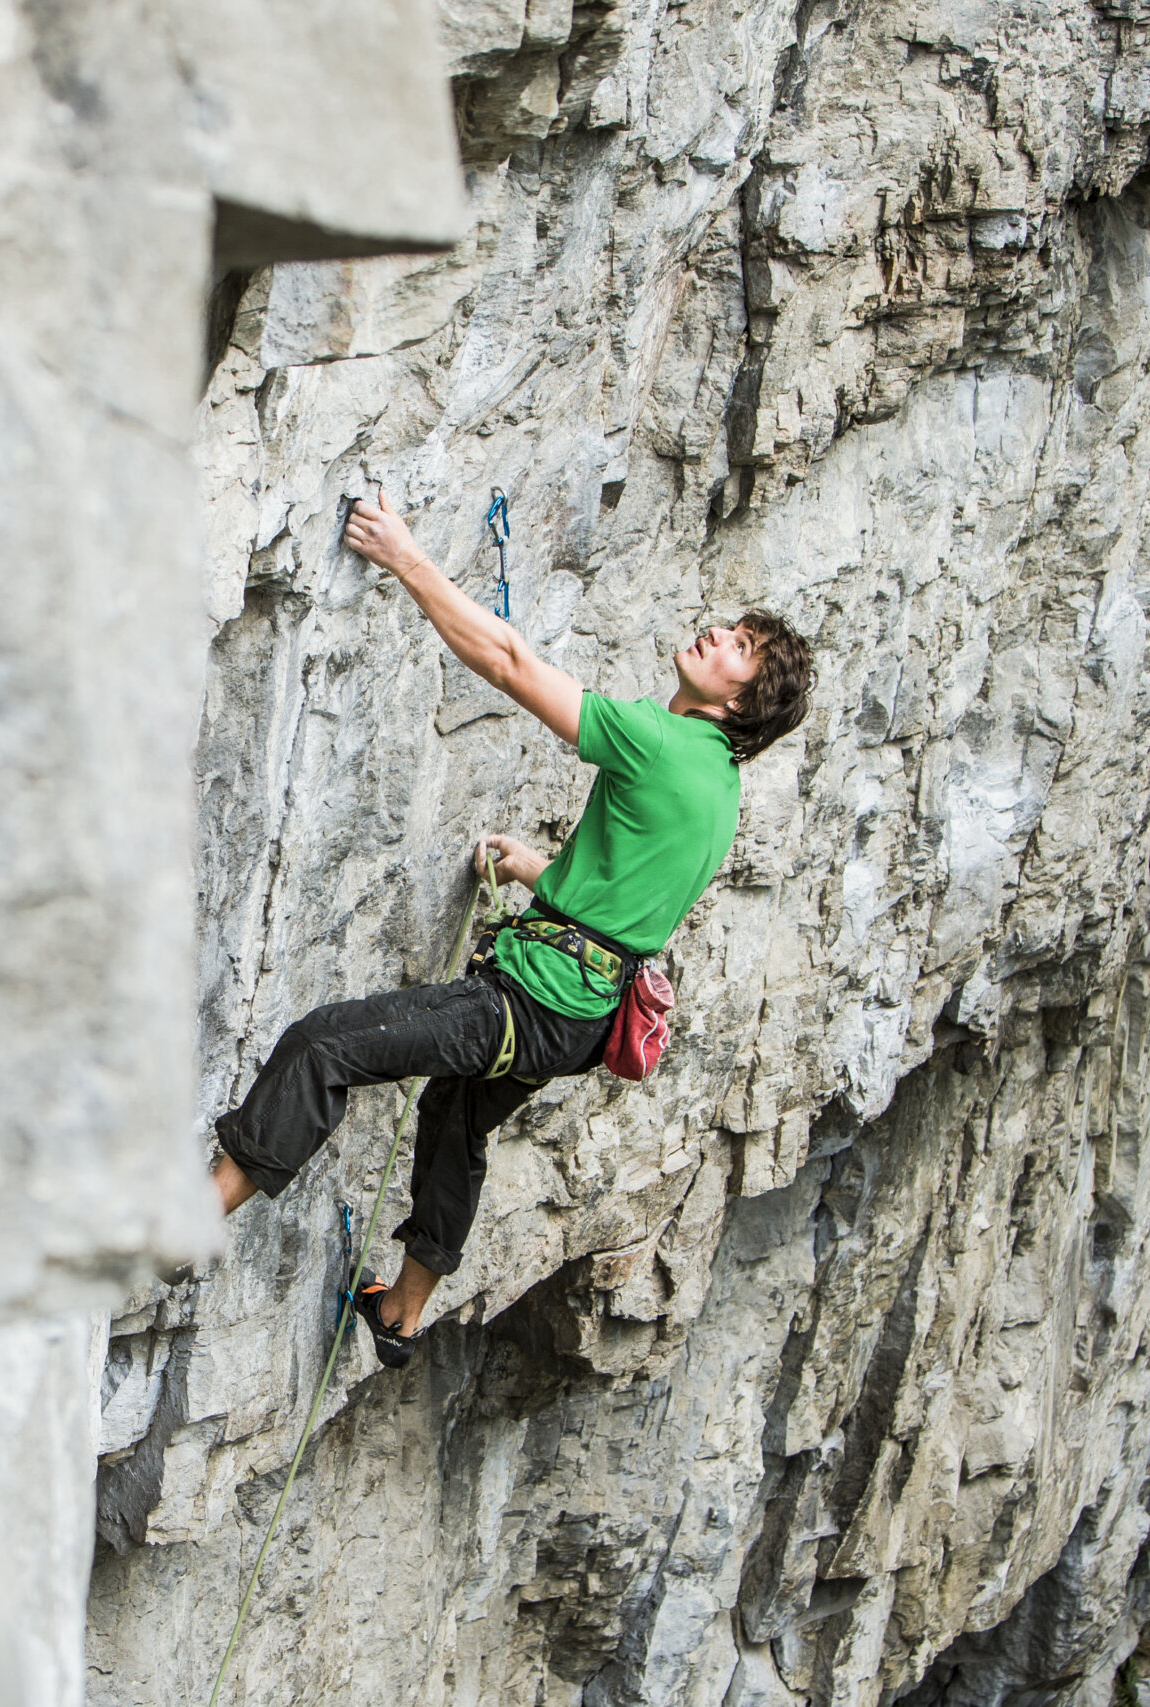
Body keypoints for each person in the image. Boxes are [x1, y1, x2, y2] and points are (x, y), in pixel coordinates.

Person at [206, 490, 815, 1367]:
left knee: (324, 1044)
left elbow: (508, 662)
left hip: (532, 1002)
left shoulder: (658, 739)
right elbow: (642, 885)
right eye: (732, 630)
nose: (717, 634)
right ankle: (400, 1313)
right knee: (455, 1114)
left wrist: (405, 556)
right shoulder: (720, 781)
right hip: (583, 1014)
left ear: (739, 701)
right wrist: (539, 871)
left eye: (739, 648)